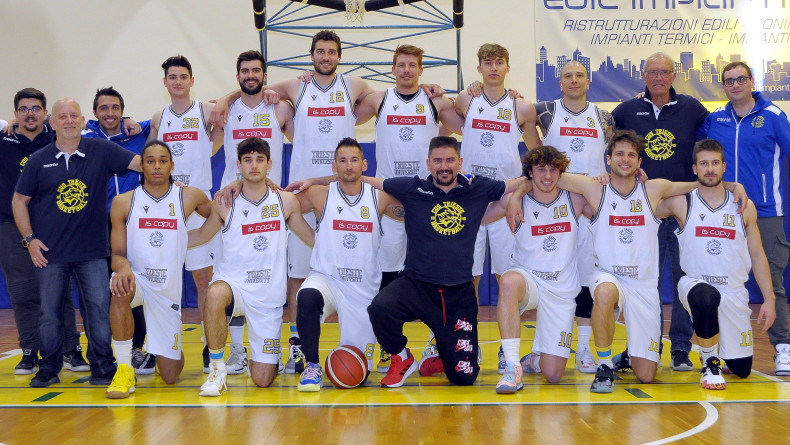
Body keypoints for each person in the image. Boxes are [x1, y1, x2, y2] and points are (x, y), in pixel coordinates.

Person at [508, 129, 746, 393]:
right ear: (608, 159)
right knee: (604, 292)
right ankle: (604, 365)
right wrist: (517, 195)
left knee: (646, 375)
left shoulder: (654, 189)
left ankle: (630, 357)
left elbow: (697, 185)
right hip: (608, 275)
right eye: (619, 154)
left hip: (643, 285)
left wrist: (732, 186)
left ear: (639, 162)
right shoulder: (594, 188)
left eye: (631, 155)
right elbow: (543, 177)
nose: (625, 159)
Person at [365, 135, 525, 387]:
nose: (444, 166)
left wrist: (516, 197)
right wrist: (319, 180)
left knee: (464, 378)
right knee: (379, 309)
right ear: (428, 163)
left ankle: (443, 356)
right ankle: (402, 358)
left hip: (458, 294)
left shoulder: (477, 188)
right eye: (438, 161)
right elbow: (365, 180)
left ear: (460, 162)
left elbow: (519, 183)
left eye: (450, 160)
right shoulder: (412, 188)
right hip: (417, 285)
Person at [12, 98, 141, 388]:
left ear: (83, 121)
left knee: (98, 310)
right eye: (62, 116)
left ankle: (103, 366)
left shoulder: (101, 150)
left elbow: (144, 164)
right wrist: (30, 240)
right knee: (49, 314)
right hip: (50, 253)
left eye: (74, 116)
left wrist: (174, 181)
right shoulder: (38, 160)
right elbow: (19, 200)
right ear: (52, 123)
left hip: (92, 251)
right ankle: (48, 368)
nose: (69, 121)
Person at [352, 44, 464, 372]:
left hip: (427, 198)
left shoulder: (435, 102)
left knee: (434, 273)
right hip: (389, 196)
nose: (406, 70)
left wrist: (467, 93)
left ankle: (436, 343)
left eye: (412, 65)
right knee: (387, 272)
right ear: (392, 69)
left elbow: (469, 122)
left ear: (421, 70)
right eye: (400, 65)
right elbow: (341, 111)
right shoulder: (379, 99)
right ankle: (390, 345)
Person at [611, 52, 710, 371]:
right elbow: (609, 147)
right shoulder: (626, 110)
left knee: (684, 279)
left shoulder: (692, 108)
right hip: (644, 212)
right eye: (652, 72)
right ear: (643, 76)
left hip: (683, 209)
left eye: (664, 72)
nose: (658, 77)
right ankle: (643, 347)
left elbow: (713, 143)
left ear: (673, 76)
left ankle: (680, 348)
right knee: (644, 282)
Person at [194, 137, 314, 396]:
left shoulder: (285, 201)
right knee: (215, 293)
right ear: (239, 165)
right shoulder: (225, 202)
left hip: (267, 298)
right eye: (248, 160)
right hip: (234, 286)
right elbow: (201, 235)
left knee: (263, 379)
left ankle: (265, 356)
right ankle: (217, 369)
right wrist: (165, 237)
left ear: (269, 164)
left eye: (260, 159)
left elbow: (311, 238)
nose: (254, 165)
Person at [658, 139, 776, 390]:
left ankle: (723, 348)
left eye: (714, 163)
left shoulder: (744, 207)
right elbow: (647, 200)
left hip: (733, 293)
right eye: (703, 164)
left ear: (724, 166)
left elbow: (757, 254)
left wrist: (769, 299)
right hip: (694, 285)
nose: (710, 169)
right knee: (706, 296)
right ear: (694, 169)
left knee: (742, 369)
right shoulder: (682, 203)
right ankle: (710, 362)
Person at [697, 61, 790, 375]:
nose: (735, 85)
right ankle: (722, 351)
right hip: (722, 212)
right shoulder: (716, 119)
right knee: (721, 282)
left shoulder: (773, 116)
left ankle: (783, 349)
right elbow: (697, 153)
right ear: (723, 86)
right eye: (729, 81)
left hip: (766, 211)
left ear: (751, 82)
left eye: (740, 79)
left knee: (772, 283)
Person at [291, 138, 403, 391]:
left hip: (362, 290)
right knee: (306, 296)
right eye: (343, 161)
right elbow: (282, 206)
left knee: (356, 373)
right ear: (334, 166)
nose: (349, 166)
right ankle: (312, 365)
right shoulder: (319, 194)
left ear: (364, 164)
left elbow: (413, 209)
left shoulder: (379, 198)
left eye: (354, 160)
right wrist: (313, 239)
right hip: (327, 278)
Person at [528, 60, 616, 375]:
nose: (574, 80)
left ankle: (583, 349)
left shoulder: (604, 117)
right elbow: (520, 123)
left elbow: (613, 157)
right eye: (568, 76)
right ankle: (540, 347)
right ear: (560, 82)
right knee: (550, 276)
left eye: (580, 75)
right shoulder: (544, 111)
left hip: (591, 207)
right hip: (555, 204)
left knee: (586, 279)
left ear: (588, 82)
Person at [105, 141, 211, 398]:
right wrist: (124, 268)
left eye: (163, 161)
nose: (157, 166)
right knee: (119, 286)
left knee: (170, 375)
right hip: (138, 280)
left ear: (172, 165)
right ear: (141, 166)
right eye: (150, 161)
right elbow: (117, 254)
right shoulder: (123, 202)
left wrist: (239, 186)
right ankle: (124, 369)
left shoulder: (189, 196)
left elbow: (222, 213)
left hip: (167, 293)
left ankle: (161, 343)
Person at [483, 146, 591, 393]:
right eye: (541, 169)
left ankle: (535, 359)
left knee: (553, 374)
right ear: (530, 172)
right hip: (528, 279)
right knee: (508, 282)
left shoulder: (575, 199)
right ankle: (512, 366)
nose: (547, 176)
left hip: (560, 289)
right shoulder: (515, 201)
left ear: (561, 173)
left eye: (553, 170)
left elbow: (604, 205)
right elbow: (477, 217)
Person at [214, 50, 296, 376]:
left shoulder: (280, 108)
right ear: (237, 77)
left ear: (265, 75)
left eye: (256, 71)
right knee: (233, 273)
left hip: (269, 201)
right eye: (245, 71)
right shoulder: (224, 110)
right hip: (231, 202)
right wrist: (226, 98)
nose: (250, 76)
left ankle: (286, 347)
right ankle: (237, 351)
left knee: (274, 275)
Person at [0, 88, 87, 376]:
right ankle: (29, 351)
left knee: (60, 292)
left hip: (52, 225)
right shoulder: (3, 139)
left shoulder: (59, 137)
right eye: (24, 109)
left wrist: (126, 120)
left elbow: (93, 127)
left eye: (35, 108)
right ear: (15, 113)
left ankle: (71, 349)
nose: (30, 114)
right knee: (22, 291)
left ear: (46, 114)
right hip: (11, 226)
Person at [148, 55, 222, 374]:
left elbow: (230, 113)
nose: (178, 81)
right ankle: (160, 345)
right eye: (172, 77)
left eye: (183, 76)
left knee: (204, 279)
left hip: (198, 204)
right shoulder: (159, 117)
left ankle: (210, 345)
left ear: (192, 81)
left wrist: (208, 150)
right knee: (160, 280)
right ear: (164, 82)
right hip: (165, 204)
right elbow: (150, 158)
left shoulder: (206, 111)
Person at [453, 43, 541, 302]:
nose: (494, 67)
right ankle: (467, 327)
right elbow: (442, 115)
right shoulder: (466, 99)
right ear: (479, 68)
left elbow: (537, 151)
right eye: (488, 62)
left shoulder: (522, 106)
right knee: (468, 275)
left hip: (506, 196)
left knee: (509, 275)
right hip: (469, 194)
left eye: (499, 62)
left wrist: (527, 184)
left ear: (508, 68)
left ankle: (509, 330)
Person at [83, 86, 156, 375]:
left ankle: (136, 348)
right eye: (104, 108)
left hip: (133, 221)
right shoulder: (85, 138)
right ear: (94, 113)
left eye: (115, 108)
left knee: (132, 285)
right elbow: (52, 123)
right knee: (97, 290)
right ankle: (100, 352)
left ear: (123, 111)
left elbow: (164, 117)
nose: (110, 113)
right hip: (95, 224)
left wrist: (135, 123)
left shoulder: (138, 132)